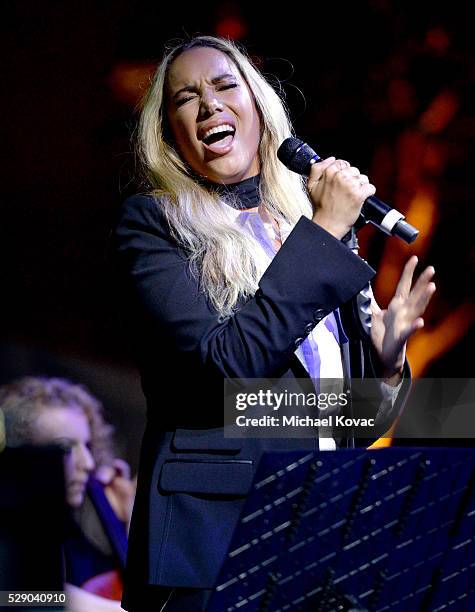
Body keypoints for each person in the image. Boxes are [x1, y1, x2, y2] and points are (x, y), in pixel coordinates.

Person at [112, 35, 436, 611]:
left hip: (326, 532)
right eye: (186, 98)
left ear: (259, 108)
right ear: (169, 134)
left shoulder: (309, 228)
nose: (209, 104)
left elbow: (350, 424)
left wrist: (384, 366)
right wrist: (323, 234)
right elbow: (227, 372)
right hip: (220, 541)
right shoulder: (156, 226)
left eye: (224, 85)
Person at [0, 376, 136, 612]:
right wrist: (69, 600)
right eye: (65, 448)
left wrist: (131, 521)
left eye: (87, 445)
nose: (88, 462)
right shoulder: (9, 531)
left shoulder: (88, 505)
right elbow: (8, 597)